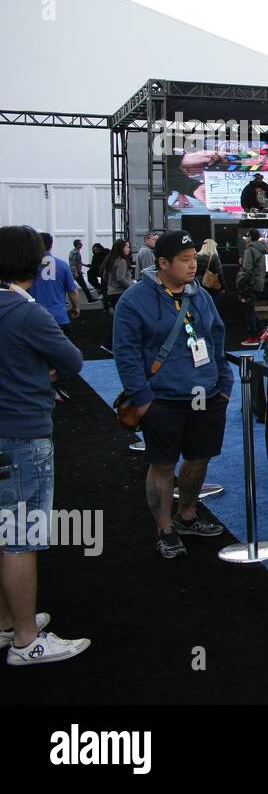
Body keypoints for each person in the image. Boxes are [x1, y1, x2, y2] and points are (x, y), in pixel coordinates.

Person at [0, 225, 90, 664]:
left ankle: (7, 623)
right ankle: (25, 639)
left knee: (5, 532)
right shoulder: (26, 313)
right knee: (21, 538)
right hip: (23, 434)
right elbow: (72, 360)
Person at [112, 230, 231, 558]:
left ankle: (187, 515)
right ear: (163, 263)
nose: (193, 265)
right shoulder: (134, 301)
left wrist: (223, 386)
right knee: (163, 465)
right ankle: (165, 528)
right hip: (162, 399)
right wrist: (143, 400)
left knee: (199, 459)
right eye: (185, 260)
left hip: (207, 395)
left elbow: (216, 337)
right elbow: (126, 353)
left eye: (194, 259)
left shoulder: (200, 295)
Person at [31, 233, 79, 332]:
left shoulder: (27, 266)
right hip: (58, 317)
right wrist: (76, 307)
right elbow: (73, 291)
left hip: (33, 317)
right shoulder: (62, 265)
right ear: (51, 245)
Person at [236, 229, 268, 346]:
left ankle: (253, 337)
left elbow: (247, 269)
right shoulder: (260, 249)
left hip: (249, 284)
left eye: (247, 236)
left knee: (249, 310)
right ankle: (262, 331)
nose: (246, 238)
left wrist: (241, 283)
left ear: (250, 237)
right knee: (250, 309)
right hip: (258, 283)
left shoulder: (249, 250)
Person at [100, 239, 134, 349]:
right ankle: (110, 344)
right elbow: (121, 278)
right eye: (127, 247)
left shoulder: (112, 260)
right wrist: (132, 287)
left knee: (119, 319)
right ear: (121, 248)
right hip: (119, 293)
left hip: (112, 292)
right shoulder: (122, 261)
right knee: (122, 320)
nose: (129, 249)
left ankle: (110, 344)